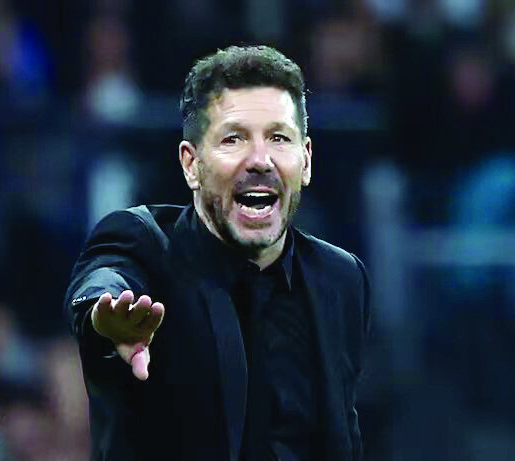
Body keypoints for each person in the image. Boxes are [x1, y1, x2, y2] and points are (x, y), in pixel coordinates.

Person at [65, 45, 370, 461]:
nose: (260, 160)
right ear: (191, 165)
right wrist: (105, 318)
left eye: (279, 138)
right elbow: (104, 279)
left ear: (306, 160)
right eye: (234, 139)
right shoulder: (145, 243)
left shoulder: (341, 277)